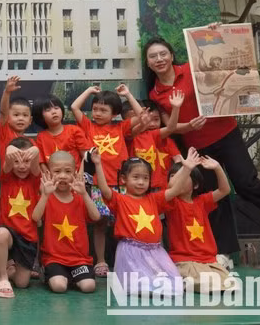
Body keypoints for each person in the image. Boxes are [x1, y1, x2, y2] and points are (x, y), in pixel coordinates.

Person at [144, 36, 260, 258]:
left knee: (246, 183)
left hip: (226, 133)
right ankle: (224, 253)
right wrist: (188, 126)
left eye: (163, 53)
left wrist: (216, 33)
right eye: (153, 56)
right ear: (148, 63)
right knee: (214, 197)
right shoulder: (154, 93)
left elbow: (222, 60)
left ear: (172, 55)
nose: (159, 59)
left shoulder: (190, 68)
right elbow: (170, 127)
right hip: (198, 146)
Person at [94, 148, 198, 295]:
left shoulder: (154, 199)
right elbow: (104, 190)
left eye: (145, 178)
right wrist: (98, 164)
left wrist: (187, 168)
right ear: (124, 179)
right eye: (135, 177)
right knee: (140, 288)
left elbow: (175, 190)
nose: (141, 182)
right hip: (130, 252)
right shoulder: (120, 199)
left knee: (175, 287)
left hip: (156, 252)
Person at [70, 84, 145, 278]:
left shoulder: (121, 127)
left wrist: (128, 93)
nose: (97, 113)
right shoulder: (88, 126)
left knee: (126, 223)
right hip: (96, 185)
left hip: (121, 185)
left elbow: (141, 115)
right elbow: (74, 108)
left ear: (115, 113)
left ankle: (129, 261)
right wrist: (88, 92)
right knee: (100, 223)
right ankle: (101, 261)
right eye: (95, 109)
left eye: (103, 110)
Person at [32, 151, 100, 294]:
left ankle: (71, 276)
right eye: (57, 171)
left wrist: (85, 194)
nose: (63, 175)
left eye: (68, 171)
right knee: (59, 287)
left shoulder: (80, 197)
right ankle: (53, 274)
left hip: (79, 259)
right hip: (54, 259)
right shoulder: (48, 197)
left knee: (89, 286)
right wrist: (44, 195)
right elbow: (35, 217)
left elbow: (95, 217)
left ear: (75, 174)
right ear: (49, 174)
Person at [165, 157, 233, 293]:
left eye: (184, 176)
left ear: (195, 185)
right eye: (173, 176)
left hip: (208, 260)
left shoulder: (201, 201)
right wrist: (186, 168)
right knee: (199, 282)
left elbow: (225, 190)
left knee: (229, 284)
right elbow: (171, 186)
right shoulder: (171, 202)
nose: (178, 179)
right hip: (184, 260)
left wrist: (218, 167)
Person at [0, 137, 41, 298]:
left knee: (22, 283)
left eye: (26, 161)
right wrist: (9, 151)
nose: (21, 166)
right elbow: (7, 163)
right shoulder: (7, 177)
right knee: (1, 234)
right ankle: (2, 278)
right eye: (17, 162)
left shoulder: (35, 179)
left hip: (27, 236)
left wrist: (35, 152)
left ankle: (11, 271)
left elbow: (34, 167)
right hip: (8, 231)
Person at [32, 95, 92, 169]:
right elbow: (42, 164)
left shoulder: (74, 130)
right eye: (48, 110)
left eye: (56, 108)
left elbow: (86, 157)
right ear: (40, 116)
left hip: (77, 178)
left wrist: (80, 175)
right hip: (53, 179)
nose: (54, 112)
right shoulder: (41, 137)